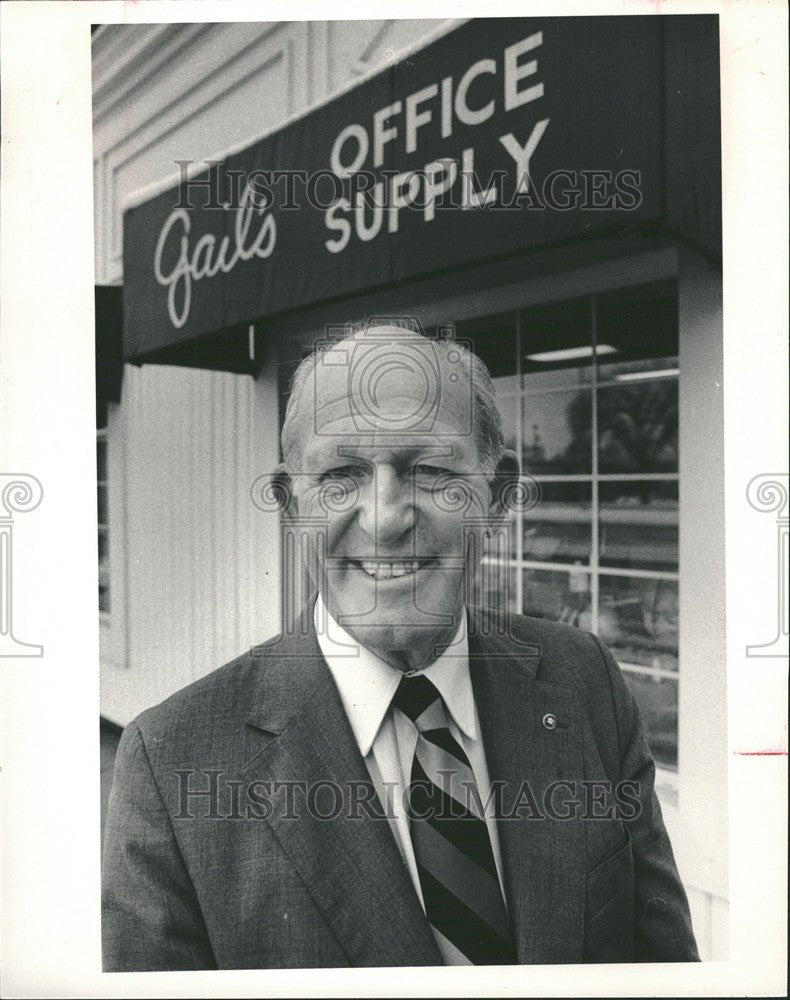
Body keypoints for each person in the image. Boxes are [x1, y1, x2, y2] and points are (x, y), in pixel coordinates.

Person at [102, 322, 699, 970]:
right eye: (340, 474)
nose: (386, 519)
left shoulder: (584, 680)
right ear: (289, 504)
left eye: (431, 469)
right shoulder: (172, 763)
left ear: (496, 500)